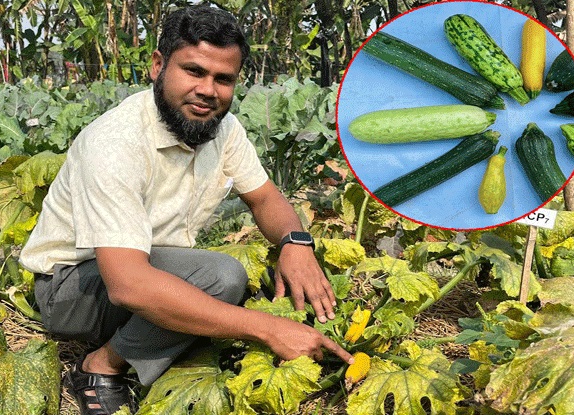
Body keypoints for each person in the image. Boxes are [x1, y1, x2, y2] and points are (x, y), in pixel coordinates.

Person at [19, 5, 353, 415]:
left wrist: (296, 242)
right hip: (74, 287)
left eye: (223, 79)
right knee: (222, 278)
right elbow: (128, 285)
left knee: (239, 280)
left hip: (148, 264)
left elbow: (265, 198)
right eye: (194, 71)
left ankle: (161, 336)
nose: (209, 90)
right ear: (158, 66)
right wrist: (267, 328)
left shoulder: (222, 128)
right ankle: (99, 367)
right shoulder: (114, 143)